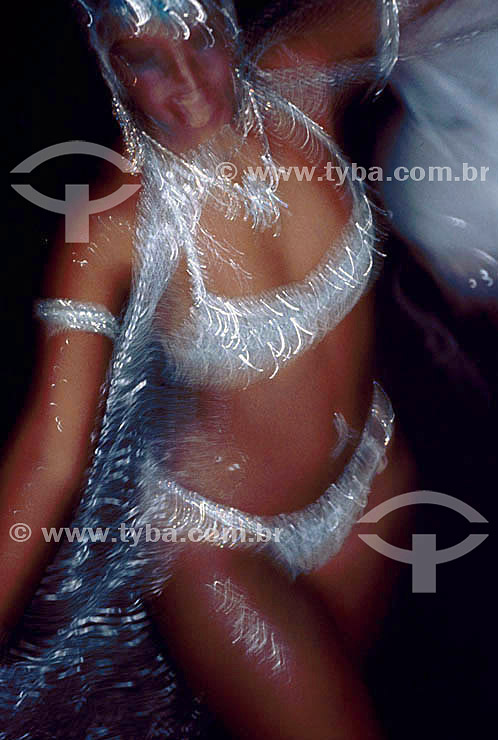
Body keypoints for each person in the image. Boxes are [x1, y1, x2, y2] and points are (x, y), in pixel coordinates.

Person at [1, 1, 496, 738]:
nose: (189, 86)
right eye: (146, 58)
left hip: (367, 491)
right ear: (111, 67)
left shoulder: (302, 77)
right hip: (218, 548)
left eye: (201, 40)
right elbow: (50, 455)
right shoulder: (111, 222)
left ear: (228, 24)